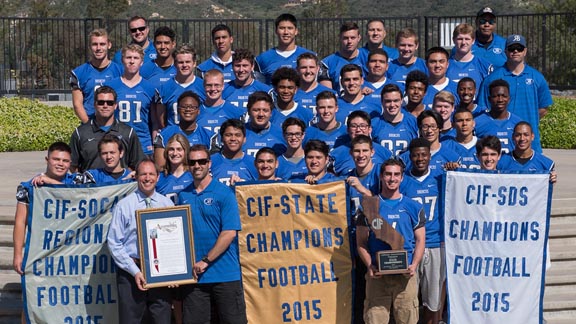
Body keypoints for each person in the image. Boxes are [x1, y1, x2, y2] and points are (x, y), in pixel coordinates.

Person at [178, 144, 248, 324]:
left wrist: (206, 260)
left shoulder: (224, 193)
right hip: (195, 277)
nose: (197, 165)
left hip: (225, 274)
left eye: (201, 161)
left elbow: (229, 233)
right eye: (192, 162)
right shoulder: (182, 196)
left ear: (209, 163)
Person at [356, 158, 425, 324]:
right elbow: (361, 242)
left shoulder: (413, 207)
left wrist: (414, 265)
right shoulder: (368, 207)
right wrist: (369, 266)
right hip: (378, 275)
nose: (392, 179)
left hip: (405, 275)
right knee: (375, 319)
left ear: (402, 178)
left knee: (407, 319)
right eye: (388, 174)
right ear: (381, 176)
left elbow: (420, 240)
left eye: (396, 175)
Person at [107, 159, 174, 324]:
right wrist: (134, 270)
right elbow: (114, 242)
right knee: (131, 320)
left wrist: (174, 271)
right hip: (131, 272)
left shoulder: (168, 204)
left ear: (158, 177)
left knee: (162, 319)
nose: (147, 178)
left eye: (151, 174)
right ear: (136, 177)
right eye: (143, 174)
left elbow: (173, 241)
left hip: (160, 272)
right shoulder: (124, 206)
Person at [477, 34, 553, 153]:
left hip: (528, 142)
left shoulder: (537, 77)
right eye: (512, 48)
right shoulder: (492, 79)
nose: (516, 51)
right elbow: (483, 108)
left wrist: (528, 120)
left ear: (525, 51)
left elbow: (543, 108)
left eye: (520, 48)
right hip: (499, 142)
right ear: (505, 51)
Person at [13, 142, 76, 275]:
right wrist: (18, 255)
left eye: (65, 161)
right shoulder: (27, 187)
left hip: (72, 251)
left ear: (70, 163)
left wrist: (51, 182)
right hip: (41, 249)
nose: (60, 164)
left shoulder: (77, 182)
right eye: (56, 159)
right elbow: (20, 222)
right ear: (47, 160)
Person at [400, 138, 445, 324]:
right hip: (410, 246)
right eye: (416, 155)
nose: (420, 158)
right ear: (409, 157)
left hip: (435, 243)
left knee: (433, 301)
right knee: (409, 299)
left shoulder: (440, 178)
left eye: (424, 155)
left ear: (430, 156)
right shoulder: (403, 181)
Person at [70, 86, 145, 173]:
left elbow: (137, 163)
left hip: (119, 185)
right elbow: (73, 166)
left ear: (115, 105)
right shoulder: (80, 133)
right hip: (91, 185)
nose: (105, 106)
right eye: (101, 102)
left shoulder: (128, 132)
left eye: (110, 103)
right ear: (95, 104)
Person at [105, 44, 156, 155]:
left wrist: (155, 145)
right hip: (117, 142)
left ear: (141, 62)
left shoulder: (150, 88)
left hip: (143, 143)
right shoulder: (110, 86)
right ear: (122, 60)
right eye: (128, 58)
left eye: (136, 58)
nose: (132, 61)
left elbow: (155, 122)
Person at [70, 28, 122, 123]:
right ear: (90, 46)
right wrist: (89, 126)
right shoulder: (79, 72)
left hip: (115, 125)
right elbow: (77, 104)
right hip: (90, 123)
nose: (98, 48)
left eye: (102, 44)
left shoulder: (120, 71)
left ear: (109, 45)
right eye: (95, 44)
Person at [154, 91, 212, 170]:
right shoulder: (164, 135)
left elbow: (212, 166)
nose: (188, 109)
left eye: (192, 107)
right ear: (177, 110)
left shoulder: (209, 136)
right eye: (184, 107)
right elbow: (160, 167)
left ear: (198, 111)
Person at [155, 44, 205, 128]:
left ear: (194, 63)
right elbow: (161, 121)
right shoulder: (164, 89)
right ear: (175, 64)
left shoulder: (203, 87)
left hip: (197, 137)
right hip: (174, 137)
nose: (184, 65)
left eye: (188, 62)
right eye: (181, 62)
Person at [256, 13, 315, 84]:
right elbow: (258, 86)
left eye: (290, 28)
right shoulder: (262, 59)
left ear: (296, 31)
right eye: (282, 28)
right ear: (276, 31)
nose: (286, 32)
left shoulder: (310, 56)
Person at [331, 110, 392, 176]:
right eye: (354, 126)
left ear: (370, 129)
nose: (358, 130)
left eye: (362, 126)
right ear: (348, 130)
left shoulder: (384, 152)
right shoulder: (336, 154)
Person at [474, 79, 522, 153]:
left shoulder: (518, 123)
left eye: (504, 96)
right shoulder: (477, 123)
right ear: (489, 99)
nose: (500, 99)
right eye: (496, 96)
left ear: (509, 99)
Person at [372, 84, 419, 155]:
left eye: (396, 100)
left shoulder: (413, 122)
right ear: (382, 102)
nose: (392, 105)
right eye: (388, 101)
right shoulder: (374, 124)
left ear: (401, 101)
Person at [320, 21, 366, 92]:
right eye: (345, 38)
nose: (349, 41)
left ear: (359, 38)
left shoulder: (368, 59)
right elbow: (327, 93)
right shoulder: (327, 63)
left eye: (353, 38)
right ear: (340, 38)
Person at [210, 119, 257, 186]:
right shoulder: (211, 161)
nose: (233, 139)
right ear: (221, 139)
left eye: (237, 135)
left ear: (244, 139)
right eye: (228, 135)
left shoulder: (254, 163)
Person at [197, 69, 243, 138]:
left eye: (217, 85)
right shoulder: (196, 111)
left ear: (223, 86)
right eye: (209, 85)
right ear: (203, 86)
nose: (213, 89)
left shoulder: (234, 111)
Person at [243, 91, 286, 157]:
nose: (261, 114)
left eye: (265, 110)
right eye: (256, 110)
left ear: (271, 113)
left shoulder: (282, 135)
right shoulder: (239, 133)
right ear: (248, 111)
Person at [156, 134, 193, 203]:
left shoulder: (193, 176)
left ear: (186, 152)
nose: (175, 153)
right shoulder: (159, 178)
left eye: (179, 149)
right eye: (171, 149)